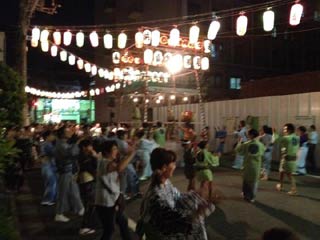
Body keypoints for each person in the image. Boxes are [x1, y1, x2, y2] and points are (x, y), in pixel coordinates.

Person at [136, 148, 215, 240]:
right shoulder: (156, 195)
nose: (175, 166)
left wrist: (196, 194)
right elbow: (171, 224)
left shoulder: (165, 183)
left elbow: (177, 197)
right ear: (164, 168)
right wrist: (197, 213)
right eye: (173, 163)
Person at [95, 140, 136, 240]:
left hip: (112, 200)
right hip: (105, 203)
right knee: (109, 230)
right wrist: (132, 154)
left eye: (116, 148)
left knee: (122, 222)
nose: (116, 151)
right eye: (114, 149)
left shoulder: (108, 162)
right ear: (106, 152)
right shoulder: (105, 163)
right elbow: (119, 168)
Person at [54, 126, 84, 222]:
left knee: (74, 190)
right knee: (63, 192)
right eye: (68, 131)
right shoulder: (60, 144)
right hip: (64, 171)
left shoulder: (63, 143)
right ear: (62, 134)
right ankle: (59, 213)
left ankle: (80, 208)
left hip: (68, 170)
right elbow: (71, 153)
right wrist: (76, 142)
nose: (70, 132)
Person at [236, 129, 265, 202]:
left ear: (251, 135)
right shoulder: (261, 145)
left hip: (247, 165)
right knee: (254, 182)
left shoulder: (246, 144)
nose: (247, 136)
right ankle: (252, 197)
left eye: (248, 134)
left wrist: (239, 142)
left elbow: (238, 150)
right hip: (256, 166)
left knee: (246, 181)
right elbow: (262, 153)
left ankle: (246, 195)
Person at [77, 139, 99, 235]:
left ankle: (91, 224)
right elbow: (92, 168)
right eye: (89, 146)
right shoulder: (83, 157)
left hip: (87, 181)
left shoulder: (85, 155)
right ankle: (85, 226)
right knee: (90, 205)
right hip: (87, 182)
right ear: (84, 147)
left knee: (91, 204)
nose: (92, 148)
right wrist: (95, 157)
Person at [276, 123, 299, 195]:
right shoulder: (297, 137)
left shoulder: (286, 138)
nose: (284, 131)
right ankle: (280, 185)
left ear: (289, 130)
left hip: (287, 157)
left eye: (285, 129)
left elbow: (276, 141)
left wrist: (275, 133)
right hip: (293, 157)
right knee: (282, 171)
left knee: (289, 174)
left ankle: (294, 189)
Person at [39, 130, 57, 206]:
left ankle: (49, 199)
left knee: (48, 183)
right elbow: (54, 153)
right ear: (48, 136)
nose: (53, 137)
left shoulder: (43, 144)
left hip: (46, 165)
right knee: (51, 182)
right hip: (48, 165)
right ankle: (48, 199)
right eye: (52, 135)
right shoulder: (47, 144)